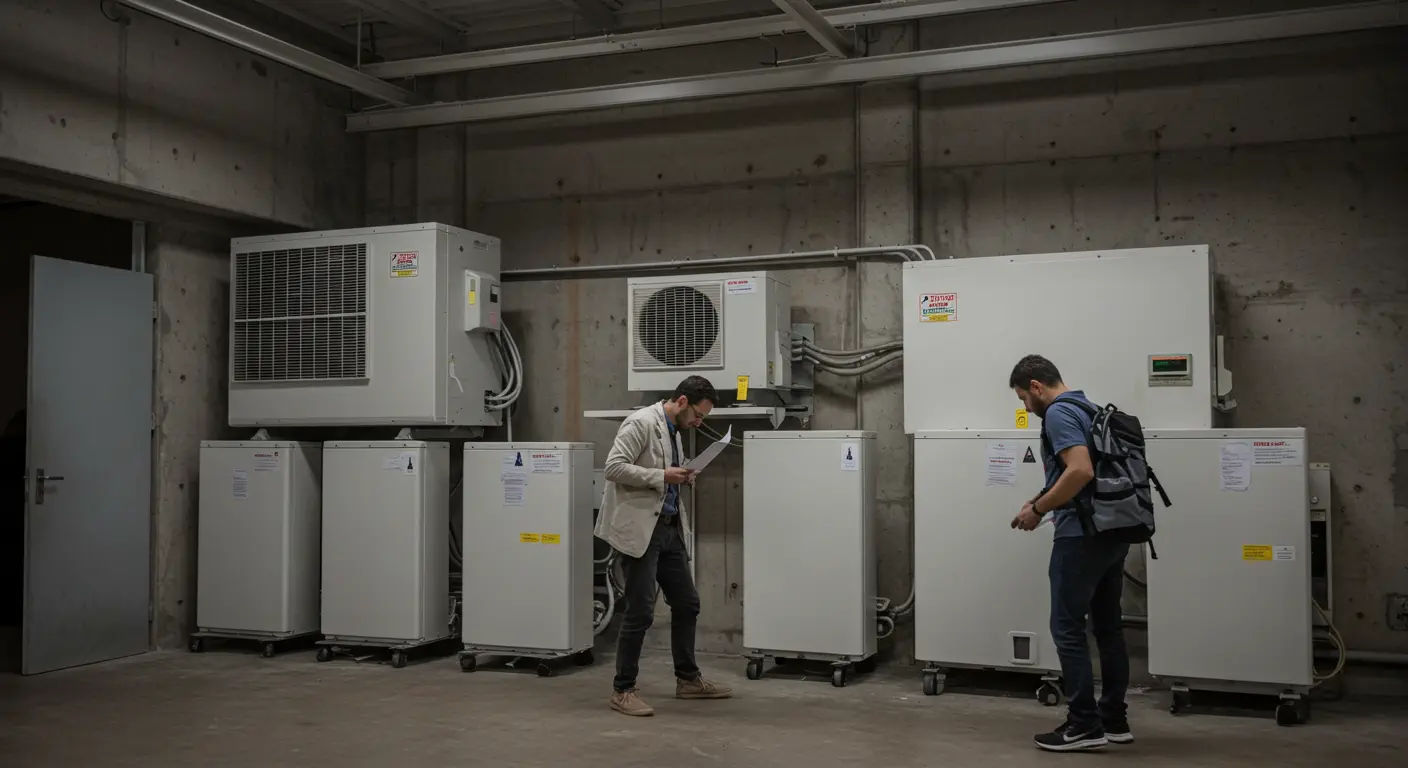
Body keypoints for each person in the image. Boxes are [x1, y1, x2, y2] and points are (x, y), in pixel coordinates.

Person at [1008, 355, 1131, 752]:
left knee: (1066, 628)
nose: (1025, 407)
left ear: (1036, 385)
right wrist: (1041, 498)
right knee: (1108, 628)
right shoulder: (1089, 408)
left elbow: (1079, 471)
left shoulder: (1058, 413)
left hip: (1081, 537)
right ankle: (1114, 720)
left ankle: (1083, 725)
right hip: (1113, 532)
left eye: (1023, 397)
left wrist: (1041, 509)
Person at [595, 375, 732, 717]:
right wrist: (662, 476)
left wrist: (684, 474)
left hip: (668, 528)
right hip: (643, 531)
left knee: (687, 603)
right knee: (640, 611)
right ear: (682, 402)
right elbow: (613, 467)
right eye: (698, 416)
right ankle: (622, 690)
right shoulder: (641, 422)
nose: (699, 423)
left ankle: (688, 680)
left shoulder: (674, 430)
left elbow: (664, 471)